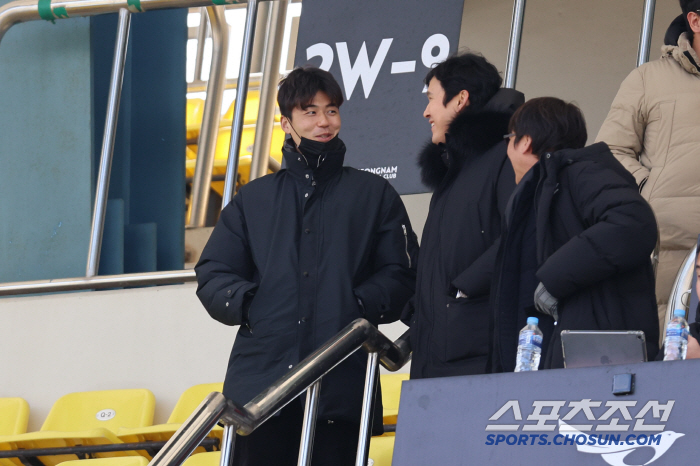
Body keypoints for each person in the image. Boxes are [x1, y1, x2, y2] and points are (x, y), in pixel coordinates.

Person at [195, 66, 418, 466]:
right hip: (261, 391)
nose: (324, 122)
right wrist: (252, 305)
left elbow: (401, 271)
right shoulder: (254, 199)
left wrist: (357, 305)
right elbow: (213, 272)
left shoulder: (373, 193)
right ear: (286, 123)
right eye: (310, 112)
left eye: (331, 111)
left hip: (343, 385)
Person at [490, 97, 660, 372]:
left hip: (597, 356)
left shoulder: (581, 173)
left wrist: (554, 279)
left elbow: (633, 222)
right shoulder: (543, 189)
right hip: (562, 352)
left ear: (525, 142)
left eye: (509, 138)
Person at [405, 52, 523, 379]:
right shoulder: (456, 167)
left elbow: (521, 233)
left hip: (476, 353)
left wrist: (461, 289)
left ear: (460, 100)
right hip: (441, 349)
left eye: (432, 99)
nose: (426, 111)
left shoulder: (505, 155)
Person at [596, 0, 700, 338]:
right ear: (695, 21)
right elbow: (609, 151)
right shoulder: (648, 78)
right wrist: (648, 189)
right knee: (665, 366)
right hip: (667, 251)